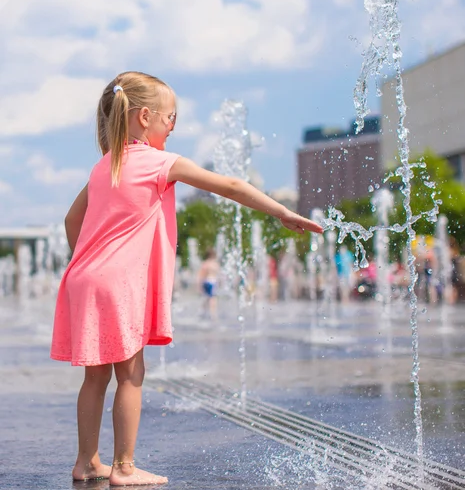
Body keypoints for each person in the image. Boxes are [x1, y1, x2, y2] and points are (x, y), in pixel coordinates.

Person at [50, 71, 323, 486]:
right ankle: (125, 467)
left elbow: (72, 219)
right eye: (170, 117)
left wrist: (89, 259)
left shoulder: (104, 165)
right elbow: (229, 184)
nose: (173, 126)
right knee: (131, 373)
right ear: (145, 117)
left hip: (84, 276)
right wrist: (281, 211)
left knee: (94, 376)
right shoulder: (161, 163)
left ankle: (87, 461)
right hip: (118, 284)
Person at [198, 248, 220, 320]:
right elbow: (218, 274)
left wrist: (200, 284)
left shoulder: (205, 263)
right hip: (212, 282)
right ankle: (213, 315)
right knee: (213, 298)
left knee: (207, 297)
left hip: (206, 281)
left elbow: (201, 275)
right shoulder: (215, 264)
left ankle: (202, 312)